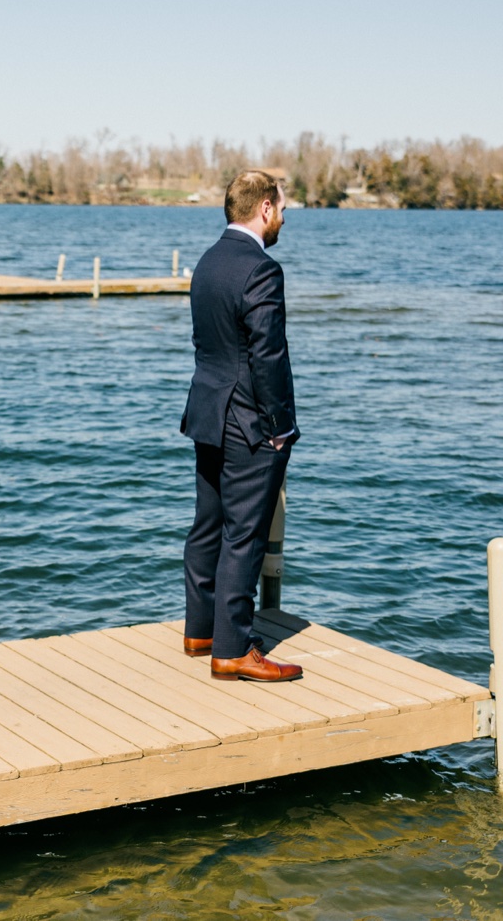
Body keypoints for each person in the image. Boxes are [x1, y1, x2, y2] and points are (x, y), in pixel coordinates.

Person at [178, 170, 303, 683]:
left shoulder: (208, 261)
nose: (284, 216)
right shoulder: (261, 269)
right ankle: (231, 649)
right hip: (249, 420)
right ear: (266, 208)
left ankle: (201, 629)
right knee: (244, 534)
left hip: (207, 411)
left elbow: (206, 343)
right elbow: (268, 356)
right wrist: (280, 427)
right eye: (283, 207)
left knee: (209, 523)